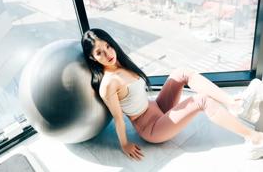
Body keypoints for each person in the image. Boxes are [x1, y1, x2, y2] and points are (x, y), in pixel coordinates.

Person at [81, 28, 263, 161]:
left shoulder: (120, 64)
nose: (107, 53)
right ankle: (254, 138)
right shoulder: (109, 83)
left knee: (182, 72)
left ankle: (234, 104)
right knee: (201, 101)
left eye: (107, 46)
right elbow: (118, 119)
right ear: (92, 58)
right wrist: (124, 145)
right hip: (152, 128)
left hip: (157, 107)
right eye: (99, 52)